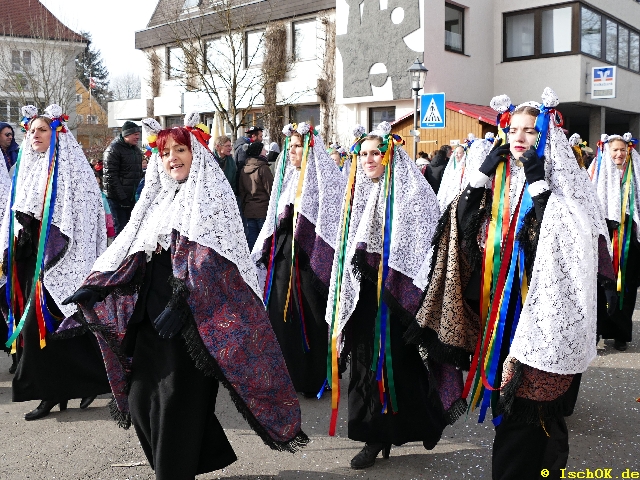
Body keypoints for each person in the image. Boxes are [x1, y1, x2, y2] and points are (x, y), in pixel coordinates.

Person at [63, 113, 308, 480]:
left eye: (180, 149)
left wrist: (184, 301)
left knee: (176, 405)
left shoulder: (212, 197)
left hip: (194, 323)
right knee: (141, 401)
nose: (172, 158)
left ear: (196, 154)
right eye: (165, 153)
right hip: (150, 319)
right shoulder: (157, 199)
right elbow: (130, 248)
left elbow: (220, 264)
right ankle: (199, 456)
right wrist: (97, 284)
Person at [414, 89, 615, 479]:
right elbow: (460, 226)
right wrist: (481, 173)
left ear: (545, 136)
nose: (519, 137)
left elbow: (569, 242)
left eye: (530, 130)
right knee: (511, 405)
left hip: (541, 312)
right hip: (498, 310)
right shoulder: (499, 180)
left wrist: (539, 185)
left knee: (531, 407)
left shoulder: (563, 181)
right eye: (513, 129)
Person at [324, 122, 446, 470]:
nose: (368, 159)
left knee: (399, 364)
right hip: (363, 295)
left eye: (376, 153)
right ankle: (372, 436)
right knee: (365, 363)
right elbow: (347, 247)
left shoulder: (414, 192)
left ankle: (419, 422)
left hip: (396, 298)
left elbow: (426, 242)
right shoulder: (356, 193)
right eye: (363, 154)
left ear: (390, 155)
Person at [0, 104, 110, 421]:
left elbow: (85, 219)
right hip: (30, 260)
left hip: (59, 261)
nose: (35, 134)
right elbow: (14, 213)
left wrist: (61, 251)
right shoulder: (25, 168)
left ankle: (71, 386)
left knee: (59, 324)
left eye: (42, 130)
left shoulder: (73, 172)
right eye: (31, 130)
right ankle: (63, 388)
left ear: (57, 134)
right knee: (42, 328)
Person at [251, 122, 346, 399]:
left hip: (310, 261)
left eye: (297, 146)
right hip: (284, 256)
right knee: (281, 315)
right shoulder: (287, 178)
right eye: (290, 146)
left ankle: (316, 376)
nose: (291, 151)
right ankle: (287, 375)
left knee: (314, 317)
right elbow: (275, 214)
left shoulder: (326, 178)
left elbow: (333, 220)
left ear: (310, 148)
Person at [588, 133, 640, 352]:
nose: (619, 154)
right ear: (607, 152)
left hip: (629, 237)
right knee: (601, 285)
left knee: (626, 286)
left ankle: (621, 334)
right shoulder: (597, 171)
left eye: (622, 150)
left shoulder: (635, 173)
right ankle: (597, 330)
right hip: (605, 235)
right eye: (615, 150)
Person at [103, 120, 143, 235]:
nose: (138, 137)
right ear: (127, 134)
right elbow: (111, 176)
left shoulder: (136, 150)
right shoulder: (113, 149)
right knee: (121, 230)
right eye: (135, 134)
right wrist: (122, 198)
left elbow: (138, 173)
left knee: (132, 230)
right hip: (117, 198)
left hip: (131, 197)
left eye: (138, 134)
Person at [239, 141, 273, 250]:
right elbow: (271, 190)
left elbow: (242, 191)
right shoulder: (263, 168)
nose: (266, 151)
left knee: (252, 239)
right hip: (263, 209)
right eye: (263, 149)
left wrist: (245, 207)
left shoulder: (244, 169)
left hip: (249, 210)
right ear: (258, 152)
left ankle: (252, 259)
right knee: (264, 240)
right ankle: (262, 259)